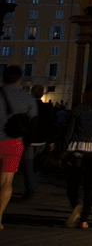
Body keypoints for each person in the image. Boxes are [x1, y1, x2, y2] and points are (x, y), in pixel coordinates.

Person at [64, 83, 92, 229]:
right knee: (90, 186)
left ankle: (76, 205)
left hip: (77, 150)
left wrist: (62, 151)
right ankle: (84, 220)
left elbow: (68, 133)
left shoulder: (77, 110)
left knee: (73, 183)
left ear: (86, 94)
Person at [1, 66, 38, 230]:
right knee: (7, 181)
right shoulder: (28, 97)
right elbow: (32, 123)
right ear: (19, 79)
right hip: (14, 143)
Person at [19, 85, 56, 201]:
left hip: (30, 140)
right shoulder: (47, 107)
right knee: (37, 166)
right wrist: (51, 142)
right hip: (43, 140)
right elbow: (51, 125)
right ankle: (32, 185)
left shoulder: (27, 105)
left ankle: (30, 187)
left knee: (28, 166)